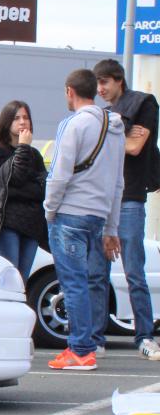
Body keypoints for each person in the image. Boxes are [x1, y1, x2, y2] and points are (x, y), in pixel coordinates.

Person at [45, 69, 124, 371]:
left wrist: (49, 209)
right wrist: (111, 226)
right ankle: (87, 343)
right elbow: (118, 182)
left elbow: (59, 173)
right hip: (98, 215)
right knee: (91, 282)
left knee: (73, 283)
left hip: (70, 212)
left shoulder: (73, 124)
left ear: (70, 91)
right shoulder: (114, 127)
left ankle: (80, 349)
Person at [94, 58, 160, 361]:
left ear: (119, 80)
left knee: (134, 270)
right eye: (97, 83)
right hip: (102, 198)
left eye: (104, 82)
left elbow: (135, 147)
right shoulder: (102, 114)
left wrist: (102, 140)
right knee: (97, 272)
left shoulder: (143, 103)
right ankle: (95, 339)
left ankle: (145, 336)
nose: (100, 89)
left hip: (130, 196)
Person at [0, 101, 47, 280]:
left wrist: (21, 190)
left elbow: (42, 190)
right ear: (7, 122)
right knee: (10, 278)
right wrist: (23, 147)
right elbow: (9, 184)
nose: (22, 122)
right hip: (7, 223)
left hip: (32, 225)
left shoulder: (35, 155)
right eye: (16, 118)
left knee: (22, 279)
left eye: (26, 117)